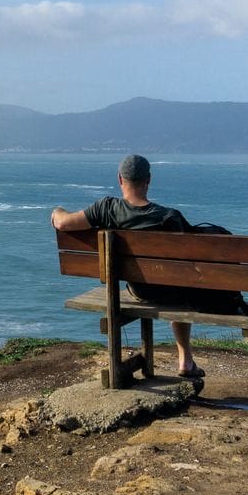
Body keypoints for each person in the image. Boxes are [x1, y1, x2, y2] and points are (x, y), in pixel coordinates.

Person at [51, 154, 204, 379]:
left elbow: (63, 223)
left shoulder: (106, 209)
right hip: (172, 292)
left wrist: (57, 211)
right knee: (181, 288)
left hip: (139, 291)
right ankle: (185, 361)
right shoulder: (170, 217)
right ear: (148, 180)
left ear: (120, 179)